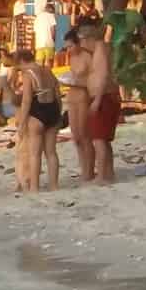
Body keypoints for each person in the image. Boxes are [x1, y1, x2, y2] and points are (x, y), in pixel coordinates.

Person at [13, 48, 62, 193]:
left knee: (35, 154)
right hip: (52, 109)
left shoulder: (28, 74)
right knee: (51, 153)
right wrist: (58, 114)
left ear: (21, 61)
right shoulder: (47, 70)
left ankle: (35, 187)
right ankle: (54, 185)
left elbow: (26, 100)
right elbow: (57, 94)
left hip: (37, 112)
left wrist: (21, 124)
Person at [80, 25, 120, 184]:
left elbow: (103, 75)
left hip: (103, 97)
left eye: (82, 41)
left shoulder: (101, 49)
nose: (82, 45)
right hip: (104, 96)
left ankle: (103, 175)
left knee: (98, 139)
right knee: (103, 138)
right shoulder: (99, 50)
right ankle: (108, 173)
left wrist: (96, 100)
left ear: (88, 38)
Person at [64, 27, 93, 181]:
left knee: (84, 135)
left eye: (71, 46)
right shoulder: (72, 58)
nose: (69, 50)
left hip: (83, 95)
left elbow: (92, 79)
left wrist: (80, 81)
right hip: (71, 95)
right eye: (67, 47)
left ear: (78, 43)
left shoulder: (87, 57)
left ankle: (89, 170)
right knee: (75, 136)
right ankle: (83, 169)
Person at [34, 0, 59, 66]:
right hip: (49, 42)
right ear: (50, 10)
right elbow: (53, 30)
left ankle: (40, 76)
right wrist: (54, 40)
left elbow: (35, 31)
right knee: (48, 63)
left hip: (39, 43)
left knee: (39, 63)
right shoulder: (51, 16)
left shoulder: (37, 17)